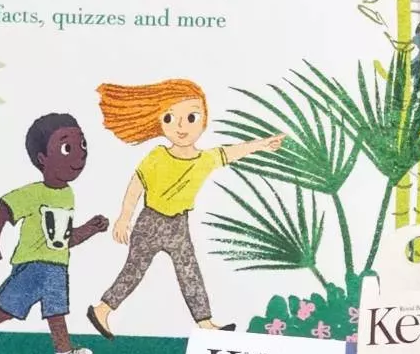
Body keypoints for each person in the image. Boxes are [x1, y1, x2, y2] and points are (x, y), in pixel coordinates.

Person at [88, 77, 286, 336]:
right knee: (134, 270)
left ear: (204, 120)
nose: (181, 127)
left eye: (191, 117)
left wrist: (262, 145)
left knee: (189, 270)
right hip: (150, 221)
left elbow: (233, 151)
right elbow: (137, 183)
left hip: (178, 224)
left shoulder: (206, 159)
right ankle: (102, 310)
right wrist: (124, 218)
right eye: (170, 118)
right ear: (160, 122)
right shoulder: (157, 155)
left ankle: (205, 323)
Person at [0, 112, 117, 354]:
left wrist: (90, 229)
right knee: (8, 312)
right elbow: (2, 213)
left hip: (56, 264)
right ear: (43, 159)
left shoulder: (67, 194)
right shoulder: (33, 193)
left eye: (82, 144)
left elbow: (64, 239)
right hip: (34, 265)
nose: (79, 154)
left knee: (55, 311)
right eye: (67, 147)